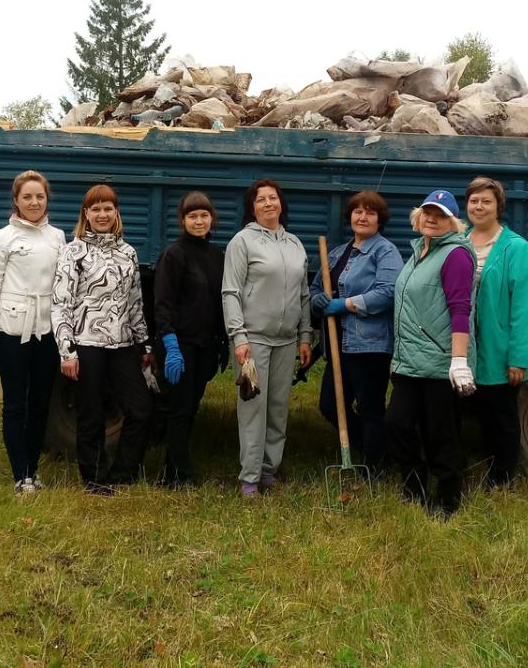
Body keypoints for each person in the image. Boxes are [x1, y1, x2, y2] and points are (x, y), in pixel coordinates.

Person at [50, 185, 154, 495]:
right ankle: (94, 477)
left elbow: (134, 304)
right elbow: (61, 303)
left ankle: (123, 472)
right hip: (85, 344)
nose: (102, 214)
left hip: (122, 345)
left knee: (141, 409)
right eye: (95, 209)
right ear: (86, 214)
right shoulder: (73, 251)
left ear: (116, 213)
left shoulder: (128, 253)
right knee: (91, 413)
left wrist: (145, 344)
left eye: (108, 208)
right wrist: (66, 351)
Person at [0, 171, 67, 494]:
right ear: (16, 200)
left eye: (39, 196)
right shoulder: (2, 239)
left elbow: (61, 287)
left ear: (46, 199)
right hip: (10, 332)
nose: (34, 202)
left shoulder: (57, 237)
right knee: (15, 404)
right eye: (27, 196)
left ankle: (32, 469)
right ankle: (20, 475)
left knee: (40, 403)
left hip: (46, 332)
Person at [385, 189, 476, 518]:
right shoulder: (419, 251)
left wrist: (459, 361)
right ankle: (414, 488)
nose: (432, 219)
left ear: (453, 222)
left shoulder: (455, 255)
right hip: (409, 361)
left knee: (441, 433)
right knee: (397, 424)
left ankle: (449, 500)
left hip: (440, 362)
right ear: (418, 216)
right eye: (427, 212)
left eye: (440, 215)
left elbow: (460, 309)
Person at [222, 179, 313, 497]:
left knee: (277, 407)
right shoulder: (242, 242)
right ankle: (249, 478)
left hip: (287, 342)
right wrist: (239, 336)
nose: (268, 204)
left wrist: (305, 336)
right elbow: (230, 292)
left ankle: (269, 470)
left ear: (281, 204)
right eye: (261, 200)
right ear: (252, 207)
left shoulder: (295, 245)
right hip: (254, 341)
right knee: (253, 408)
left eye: (273, 198)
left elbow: (303, 296)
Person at [309, 190, 403, 475]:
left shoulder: (385, 251)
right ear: (349, 215)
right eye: (358, 211)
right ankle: (373, 446)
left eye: (370, 212)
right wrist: (318, 301)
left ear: (379, 220)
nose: (363, 217)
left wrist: (346, 304)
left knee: (370, 408)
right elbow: (315, 288)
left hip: (370, 345)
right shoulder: (338, 252)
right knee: (328, 405)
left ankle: (375, 467)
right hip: (339, 345)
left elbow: (388, 292)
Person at [463, 176, 528, 489]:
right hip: (463, 348)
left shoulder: (516, 248)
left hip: (498, 348)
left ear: (498, 207)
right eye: (474, 201)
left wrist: (518, 358)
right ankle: (469, 469)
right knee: (466, 413)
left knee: (500, 417)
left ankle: (502, 478)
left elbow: (523, 308)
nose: (479, 207)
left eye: (486, 201)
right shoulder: (457, 241)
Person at [153, 191, 228, 488]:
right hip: (180, 345)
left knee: (191, 406)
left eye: (204, 215)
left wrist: (222, 341)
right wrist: (170, 345)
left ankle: (175, 466)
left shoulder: (217, 256)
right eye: (193, 216)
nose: (199, 221)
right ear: (183, 221)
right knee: (180, 408)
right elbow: (163, 303)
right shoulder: (174, 254)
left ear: (212, 219)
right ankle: (174, 476)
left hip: (206, 345)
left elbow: (220, 300)